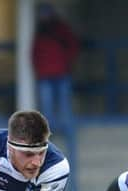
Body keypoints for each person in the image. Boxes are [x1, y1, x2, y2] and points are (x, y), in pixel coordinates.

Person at [31, 3, 79, 134]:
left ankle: (68, 133)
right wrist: (39, 69)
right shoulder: (39, 31)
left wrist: (66, 62)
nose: (44, 17)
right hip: (45, 76)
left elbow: (73, 46)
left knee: (65, 105)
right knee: (47, 106)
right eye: (42, 14)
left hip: (62, 73)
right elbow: (34, 54)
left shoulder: (61, 28)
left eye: (46, 14)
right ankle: (50, 134)